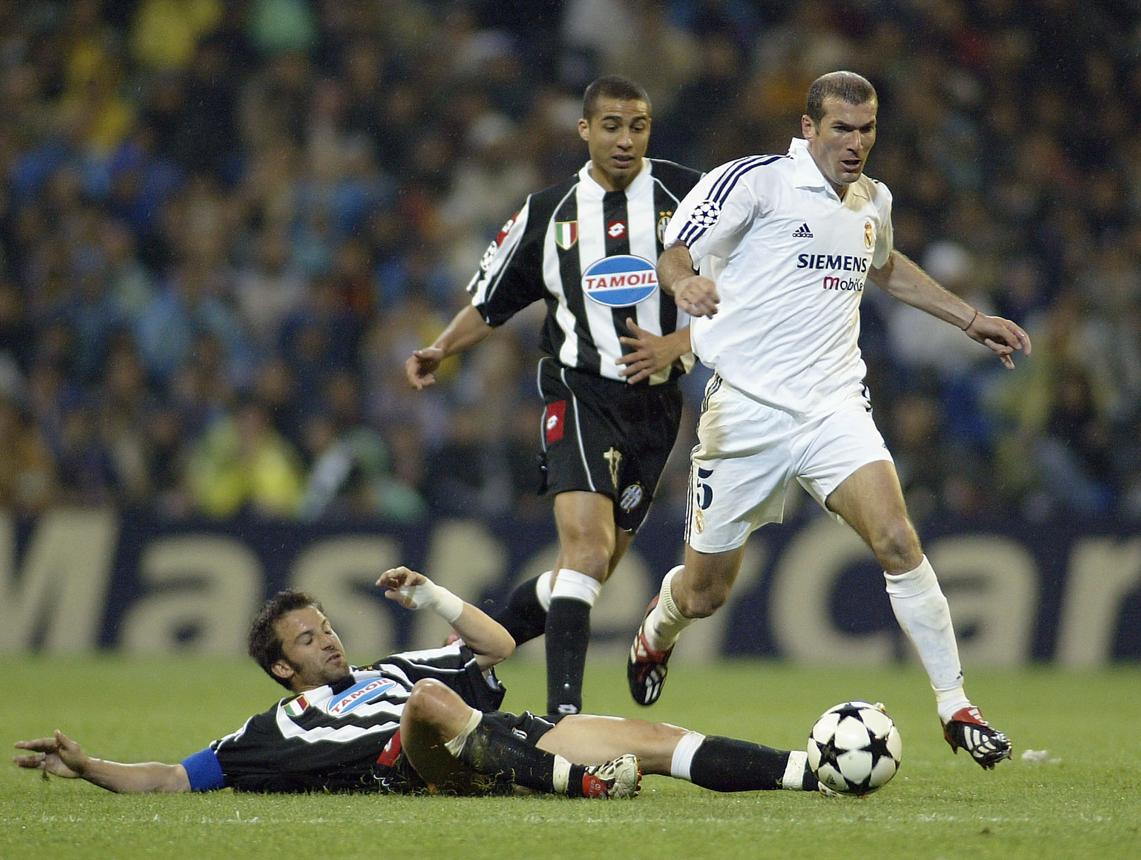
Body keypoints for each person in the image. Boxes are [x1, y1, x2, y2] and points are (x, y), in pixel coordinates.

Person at [625, 71, 1031, 771]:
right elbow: (676, 248)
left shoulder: (873, 199)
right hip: (745, 413)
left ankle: (954, 704)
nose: (855, 143)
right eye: (841, 128)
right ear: (808, 127)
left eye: (866, 129)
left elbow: (886, 267)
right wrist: (683, 281)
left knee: (897, 538)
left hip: (833, 407)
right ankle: (658, 630)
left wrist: (969, 319)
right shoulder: (755, 182)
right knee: (704, 593)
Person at [405, 75, 701, 717]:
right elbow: (491, 301)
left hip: (657, 407)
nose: (625, 140)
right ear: (585, 130)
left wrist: (677, 345)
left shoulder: (691, 198)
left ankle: (473, 649)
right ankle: (562, 718)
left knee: (591, 570)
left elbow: (751, 289)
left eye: (638, 126)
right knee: (587, 553)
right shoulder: (548, 213)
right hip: (578, 391)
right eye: (612, 126)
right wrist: (442, 347)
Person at [14, 567, 832, 798]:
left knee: (653, 738)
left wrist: (433, 597)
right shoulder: (269, 731)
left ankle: (812, 769)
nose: (328, 639)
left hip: (492, 743)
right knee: (427, 705)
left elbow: (496, 644)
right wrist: (89, 766)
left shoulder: (390, 667)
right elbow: (170, 776)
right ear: (282, 668)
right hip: (416, 764)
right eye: (308, 638)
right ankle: (580, 784)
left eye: (327, 625)